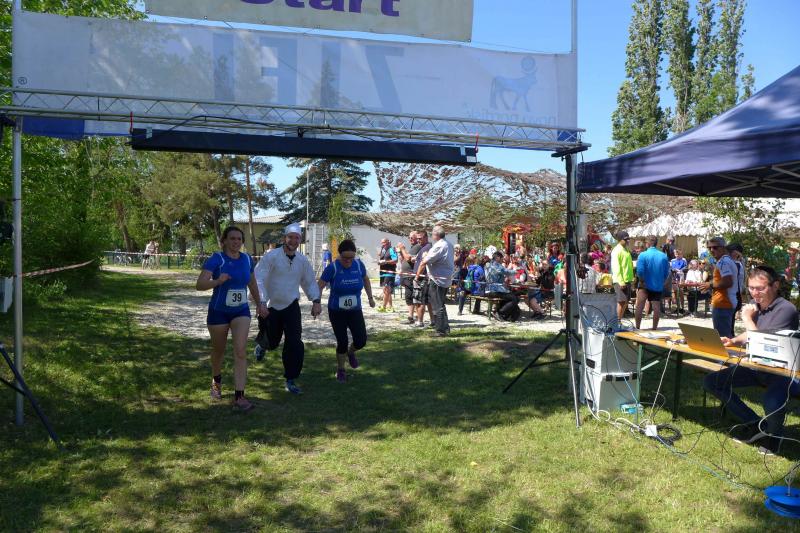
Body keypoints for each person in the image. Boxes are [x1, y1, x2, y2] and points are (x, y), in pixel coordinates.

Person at [703, 266, 800, 455]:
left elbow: (762, 342)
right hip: (758, 368)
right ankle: (755, 423)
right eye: (751, 288)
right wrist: (733, 341)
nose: (755, 293)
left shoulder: (786, 309)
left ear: (775, 286)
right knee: (712, 382)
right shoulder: (759, 306)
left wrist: (747, 318)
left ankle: (774, 436)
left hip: (783, 373)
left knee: (771, 400)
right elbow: (752, 333)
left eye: (760, 288)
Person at [195, 226, 261, 411]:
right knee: (219, 350)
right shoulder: (217, 259)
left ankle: (239, 396)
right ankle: (216, 380)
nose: (236, 242)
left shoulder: (247, 259)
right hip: (219, 312)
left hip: (241, 311)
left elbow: (252, 283)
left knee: (240, 350)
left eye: (239, 239)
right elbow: (199, 284)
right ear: (224, 240)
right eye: (232, 238)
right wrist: (217, 281)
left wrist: (260, 304)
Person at [253, 223, 322, 395]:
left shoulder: (302, 260)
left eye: (297, 238)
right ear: (285, 238)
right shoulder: (271, 257)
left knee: (294, 343)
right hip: (271, 306)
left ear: (300, 240)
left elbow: (309, 281)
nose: (293, 240)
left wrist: (316, 300)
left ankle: (290, 378)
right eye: (290, 237)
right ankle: (263, 346)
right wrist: (261, 301)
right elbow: (259, 278)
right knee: (272, 341)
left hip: (291, 306)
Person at [318, 239, 375, 383]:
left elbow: (366, 280)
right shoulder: (333, 267)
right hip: (337, 311)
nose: (348, 261)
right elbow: (320, 285)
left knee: (361, 341)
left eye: (351, 257)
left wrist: (370, 297)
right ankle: (341, 369)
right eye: (345, 258)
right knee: (342, 341)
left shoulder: (358, 265)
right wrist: (316, 303)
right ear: (339, 255)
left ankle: (351, 353)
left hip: (355, 310)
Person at [415, 225, 454, 336]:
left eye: (432, 233)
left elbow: (425, 261)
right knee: (441, 305)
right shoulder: (448, 244)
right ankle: (445, 328)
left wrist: (417, 277)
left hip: (437, 280)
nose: (431, 235)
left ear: (436, 235)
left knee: (437, 306)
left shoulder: (439, 246)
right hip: (443, 278)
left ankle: (440, 331)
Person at [698, 237, 737, 338]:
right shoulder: (726, 260)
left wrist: (709, 285)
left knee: (722, 338)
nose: (712, 250)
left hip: (723, 303)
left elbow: (728, 282)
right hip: (724, 302)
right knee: (725, 336)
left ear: (723, 247)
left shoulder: (723, 262)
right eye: (709, 248)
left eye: (715, 247)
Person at [634, 237, 670, 330]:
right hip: (657, 284)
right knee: (656, 307)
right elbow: (666, 272)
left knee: (640, 306)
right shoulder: (663, 256)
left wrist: (642, 281)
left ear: (647, 244)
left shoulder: (642, 255)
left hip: (644, 284)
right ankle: (654, 328)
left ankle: (637, 327)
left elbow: (640, 271)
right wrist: (662, 281)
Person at [484, 251, 519, 319]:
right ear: (497, 258)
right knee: (514, 298)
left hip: (487, 290)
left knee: (511, 297)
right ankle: (499, 312)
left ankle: (505, 314)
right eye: (501, 258)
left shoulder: (487, 264)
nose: (502, 260)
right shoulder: (498, 266)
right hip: (495, 290)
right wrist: (515, 271)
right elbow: (507, 272)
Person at [396, 231, 420, 325]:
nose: (410, 239)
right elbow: (405, 259)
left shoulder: (417, 246)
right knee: (410, 296)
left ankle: (412, 317)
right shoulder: (412, 247)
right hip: (406, 275)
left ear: (417, 238)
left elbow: (408, 259)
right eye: (409, 237)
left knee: (411, 296)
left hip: (410, 276)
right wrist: (401, 252)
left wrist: (402, 248)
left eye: (412, 237)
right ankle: (413, 317)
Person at [611, 231, 635, 320]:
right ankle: (617, 322)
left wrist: (632, 278)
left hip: (627, 280)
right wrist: (621, 282)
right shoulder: (617, 250)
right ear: (620, 240)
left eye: (628, 239)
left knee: (625, 302)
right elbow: (616, 267)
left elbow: (628, 265)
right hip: (620, 281)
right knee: (621, 302)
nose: (628, 240)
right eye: (625, 239)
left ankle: (619, 321)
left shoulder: (625, 249)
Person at [412, 230, 433, 328]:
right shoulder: (424, 248)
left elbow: (423, 264)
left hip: (421, 278)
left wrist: (416, 277)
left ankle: (420, 321)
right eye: (417, 238)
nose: (418, 240)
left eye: (420, 238)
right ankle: (433, 321)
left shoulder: (426, 248)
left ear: (426, 238)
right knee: (428, 301)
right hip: (423, 278)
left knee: (419, 300)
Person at [377, 238, 397, 312]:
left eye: (384, 243)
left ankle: (384, 307)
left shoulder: (391, 249)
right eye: (381, 243)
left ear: (388, 242)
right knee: (387, 290)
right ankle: (391, 307)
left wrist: (385, 262)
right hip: (383, 272)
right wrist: (379, 262)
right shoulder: (383, 249)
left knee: (386, 290)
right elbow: (380, 255)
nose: (382, 244)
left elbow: (395, 260)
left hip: (389, 272)